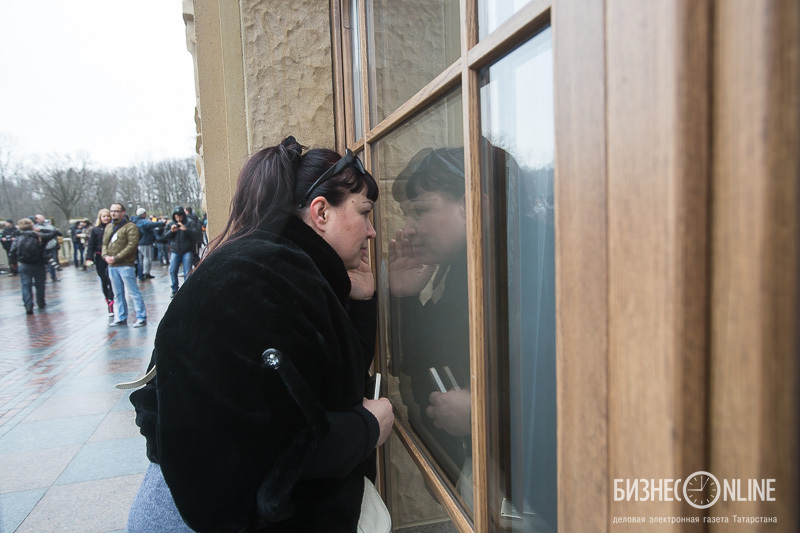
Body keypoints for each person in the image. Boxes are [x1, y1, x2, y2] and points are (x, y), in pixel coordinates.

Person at [127, 136, 394, 532]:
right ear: (321, 212)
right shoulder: (261, 279)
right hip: (194, 517)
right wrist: (366, 429)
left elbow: (327, 384)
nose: (372, 232)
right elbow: (263, 446)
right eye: (364, 212)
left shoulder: (281, 267)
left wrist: (362, 300)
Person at [102, 202, 147, 328]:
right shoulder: (108, 228)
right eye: (112, 211)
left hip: (125, 265)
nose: (113, 213)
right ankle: (121, 316)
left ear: (123, 212)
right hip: (112, 266)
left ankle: (141, 316)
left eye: (116, 211)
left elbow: (131, 245)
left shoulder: (130, 227)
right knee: (117, 293)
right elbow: (104, 244)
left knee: (133, 292)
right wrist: (105, 256)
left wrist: (116, 257)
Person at [9, 218, 57, 314]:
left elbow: (12, 252)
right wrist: (41, 229)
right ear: (32, 226)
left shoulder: (18, 238)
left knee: (26, 285)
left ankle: (28, 305)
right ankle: (41, 302)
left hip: (24, 265)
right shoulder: (39, 236)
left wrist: (13, 263)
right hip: (38, 264)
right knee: (40, 285)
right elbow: (54, 232)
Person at [164, 206, 201, 297]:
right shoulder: (171, 224)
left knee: (187, 271)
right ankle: (174, 289)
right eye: (176, 217)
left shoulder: (190, 222)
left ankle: (187, 290)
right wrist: (171, 231)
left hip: (187, 250)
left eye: (180, 216)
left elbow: (196, 234)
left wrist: (186, 229)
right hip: (175, 250)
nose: (178, 219)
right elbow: (165, 236)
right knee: (173, 270)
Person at [85, 208, 115, 317]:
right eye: (104, 216)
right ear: (100, 218)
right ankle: (107, 299)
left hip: (111, 257)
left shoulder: (113, 228)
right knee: (104, 280)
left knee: (112, 280)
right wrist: (89, 258)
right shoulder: (95, 230)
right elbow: (91, 245)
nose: (106, 218)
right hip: (99, 258)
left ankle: (112, 300)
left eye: (108, 216)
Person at [135, 209, 165, 281]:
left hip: (139, 243)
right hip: (145, 242)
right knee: (147, 258)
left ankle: (141, 273)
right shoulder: (143, 222)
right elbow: (151, 224)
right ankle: (146, 273)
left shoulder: (136, 221)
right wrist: (161, 223)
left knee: (141, 259)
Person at [34, 214, 61, 282]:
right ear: (36, 220)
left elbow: (55, 232)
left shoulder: (49, 225)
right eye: (40, 217)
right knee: (42, 264)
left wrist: (43, 229)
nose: (42, 218)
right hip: (42, 248)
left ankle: (53, 276)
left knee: (53, 262)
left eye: (42, 217)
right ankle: (43, 278)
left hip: (52, 246)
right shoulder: (35, 227)